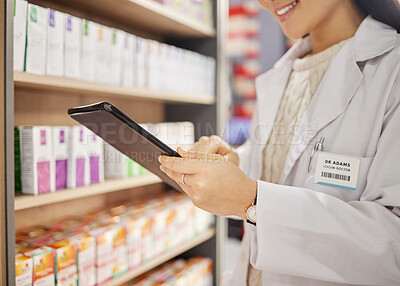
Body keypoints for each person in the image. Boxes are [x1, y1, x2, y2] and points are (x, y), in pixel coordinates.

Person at [158, 0, 400, 285]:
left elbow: (392, 247)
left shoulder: (391, 70)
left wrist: (252, 200)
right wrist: (239, 163)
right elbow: (285, 168)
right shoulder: (283, 74)